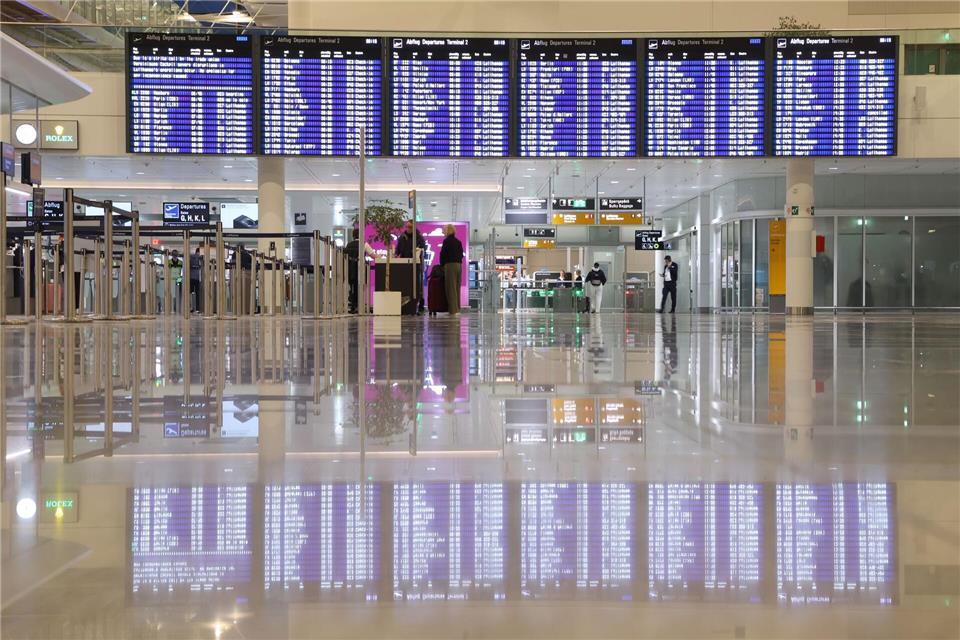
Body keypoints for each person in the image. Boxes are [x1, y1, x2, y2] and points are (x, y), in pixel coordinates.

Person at [395, 220, 427, 314]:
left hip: (417, 264)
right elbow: (398, 250)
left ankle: (420, 305)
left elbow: (423, 249)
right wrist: (396, 254)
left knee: (418, 285)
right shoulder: (402, 237)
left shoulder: (419, 237)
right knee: (405, 284)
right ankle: (406, 305)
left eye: (410, 227)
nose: (408, 229)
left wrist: (419, 250)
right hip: (405, 264)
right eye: (407, 227)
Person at [344, 228, 376, 314]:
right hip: (360, 269)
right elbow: (373, 255)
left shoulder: (348, 245)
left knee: (352, 287)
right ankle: (359, 305)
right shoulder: (364, 244)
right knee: (360, 287)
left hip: (350, 269)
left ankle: (353, 305)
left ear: (353, 235)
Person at [439, 224, 464, 316]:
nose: (443, 232)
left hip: (450, 265)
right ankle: (457, 308)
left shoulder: (446, 241)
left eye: (444, 230)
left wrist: (442, 265)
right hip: (458, 265)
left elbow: (443, 254)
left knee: (451, 288)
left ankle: (453, 310)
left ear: (447, 231)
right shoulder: (458, 241)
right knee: (457, 287)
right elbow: (461, 254)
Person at [189, 246, 203, 313]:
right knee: (196, 293)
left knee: (192, 293)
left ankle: (192, 307)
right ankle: (196, 308)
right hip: (196, 278)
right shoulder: (197, 257)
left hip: (192, 278)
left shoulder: (192, 257)